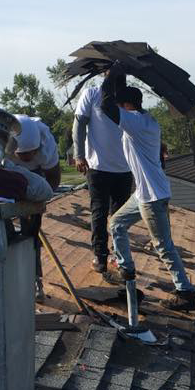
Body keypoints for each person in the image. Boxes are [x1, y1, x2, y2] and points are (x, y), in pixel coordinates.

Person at [100, 66, 195, 311]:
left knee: (163, 245)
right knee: (117, 224)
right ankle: (126, 268)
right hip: (144, 193)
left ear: (127, 106)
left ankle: (185, 293)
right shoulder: (146, 120)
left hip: (152, 196)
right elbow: (115, 104)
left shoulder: (136, 121)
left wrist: (110, 78)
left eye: (121, 105)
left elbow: (106, 107)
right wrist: (116, 78)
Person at [73, 75, 133, 274]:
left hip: (124, 168)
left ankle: (119, 256)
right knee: (99, 212)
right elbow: (79, 124)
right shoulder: (91, 94)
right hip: (98, 166)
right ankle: (100, 256)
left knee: (119, 216)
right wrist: (79, 155)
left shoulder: (126, 97)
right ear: (105, 76)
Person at [10, 115, 62, 302]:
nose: (27, 158)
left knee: (31, 233)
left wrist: (39, 202)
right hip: (6, 173)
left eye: (31, 153)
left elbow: (53, 179)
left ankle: (35, 279)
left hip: (36, 177)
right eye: (23, 155)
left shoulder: (46, 144)